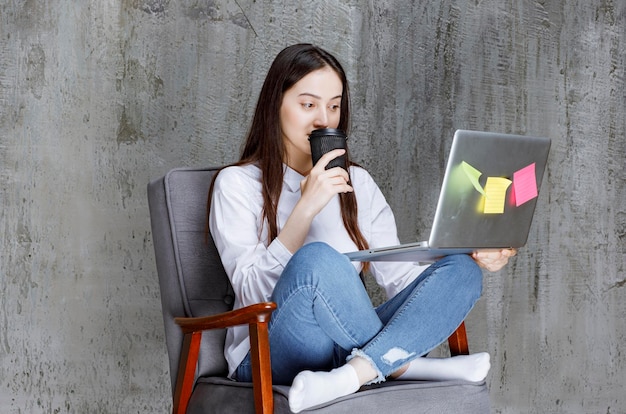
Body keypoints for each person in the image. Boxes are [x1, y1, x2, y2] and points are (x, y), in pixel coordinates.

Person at [208, 43, 515, 413]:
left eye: (334, 106)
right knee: (319, 259)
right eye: (308, 105)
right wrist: (305, 209)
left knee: (463, 269)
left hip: (344, 350)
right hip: (269, 349)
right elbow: (252, 291)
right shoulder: (236, 184)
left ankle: (358, 371)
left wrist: (470, 254)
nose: (324, 120)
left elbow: (400, 280)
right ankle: (401, 362)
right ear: (276, 106)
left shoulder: (360, 184)